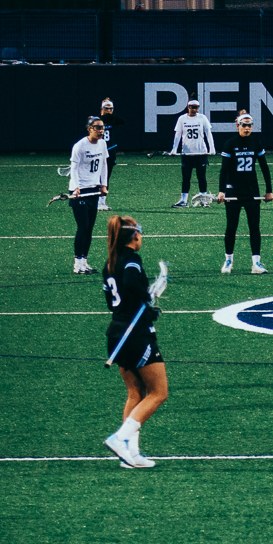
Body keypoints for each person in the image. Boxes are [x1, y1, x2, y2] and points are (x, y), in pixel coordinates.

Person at [101, 215, 167, 470]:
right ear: (134, 236)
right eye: (140, 233)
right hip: (135, 333)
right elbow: (130, 283)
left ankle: (131, 453)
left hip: (117, 331)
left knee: (135, 392)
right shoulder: (131, 261)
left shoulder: (110, 263)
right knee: (159, 392)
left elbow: (112, 300)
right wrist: (147, 300)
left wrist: (143, 301)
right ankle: (120, 438)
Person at [218, 111, 273, 275]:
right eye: (244, 125)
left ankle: (256, 263)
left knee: (254, 228)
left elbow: (264, 167)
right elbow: (224, 170)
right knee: (231, 228)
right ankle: (228, 260)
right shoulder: (230, 144)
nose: (247, 128)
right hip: (233, 191)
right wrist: (222, 191)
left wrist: (268, 190)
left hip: (251, 192)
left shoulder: (255, 143)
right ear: (238, 126)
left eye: (250, 125)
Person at [67, 116, 111, 274]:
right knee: (83, 226)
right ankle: (77, 264)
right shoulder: (79, 146)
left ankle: (84, 262)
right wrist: (76, 188)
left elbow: (104, 164)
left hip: (94, 190)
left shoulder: (103, 144)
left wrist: (104, 184)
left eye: (102, 127)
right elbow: (74, 168)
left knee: (90, 228)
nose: (101, 130)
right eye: (97, 127)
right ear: (89, 129)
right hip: (80, 191)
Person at [170, 98, 214, 207]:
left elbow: (208, 133)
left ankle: (204, 200)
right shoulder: (182, 119)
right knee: (186, 177)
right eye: (192, 107)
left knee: (201, 177)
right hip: (187, 153)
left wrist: (212, 148)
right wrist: (174, 149)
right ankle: (184, 200)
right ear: (188, 107)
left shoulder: (202, 118)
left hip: (200, 153)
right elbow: (178, 134)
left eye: (196, 107)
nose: (194, 110)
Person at [97, 98, 121, 183]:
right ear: (102, 109)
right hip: (98, 150)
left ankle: (103, 196)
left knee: (106, 177)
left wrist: (110, 116)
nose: (109, 111)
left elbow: (122, 121)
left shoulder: (112, 120)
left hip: (110, 150)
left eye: (110, 109)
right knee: (97, 176)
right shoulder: (97, 120)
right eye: (106, 108)